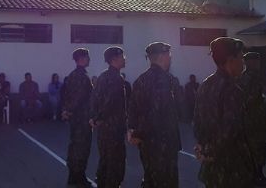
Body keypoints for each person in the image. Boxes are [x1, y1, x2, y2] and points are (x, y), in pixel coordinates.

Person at [193, 38, 254, 188]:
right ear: (230, 60)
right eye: (241, 57)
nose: (243, 63)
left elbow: (196, 122)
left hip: (211, 169)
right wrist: (210, 151)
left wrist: (203, 147)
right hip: (232, 168)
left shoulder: (205, 85)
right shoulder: (232, 90)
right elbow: (230, 129)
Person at [128, 42, 182, 188]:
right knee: (166, 181)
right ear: (163, 56)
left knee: (150, 178)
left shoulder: (140, 80)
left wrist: (133, 131)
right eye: (169, 55)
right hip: (163, 142)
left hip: (146, 143)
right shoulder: (165, 80)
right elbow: (156, 112)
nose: (170, 59)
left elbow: (133, 108)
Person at [90, 46, 128, 188]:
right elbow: (109, 102)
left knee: (105, 160)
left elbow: (94, 99)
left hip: (103, 129)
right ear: (114, 59)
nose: (125, 59)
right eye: (122, 56)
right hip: (114, 128)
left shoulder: (102, 76)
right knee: (115, 163)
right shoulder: (116, 78)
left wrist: (94, 118)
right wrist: (98, 117)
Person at [238, 52, 266, 187]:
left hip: (256, 119)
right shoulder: (248, 78)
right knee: (255, 149)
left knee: (259, 149)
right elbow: (246, 100)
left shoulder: (251, 77)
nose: (258, 63)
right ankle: (256, 178)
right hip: (252, 120)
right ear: (249, 62)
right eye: (255, 61)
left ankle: (258, 176)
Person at [61, 48, 94, 187]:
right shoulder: (82, 76)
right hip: (82, 118)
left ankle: (73, 177)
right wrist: (68, 110)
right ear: (81, 58)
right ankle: (78, 178)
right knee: (82, 148)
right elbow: (79, 98)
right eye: (87, 56)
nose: (89, 59)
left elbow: (65, 94)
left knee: (75, 146)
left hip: (76, 118)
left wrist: (66, 110)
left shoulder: (72, 75)